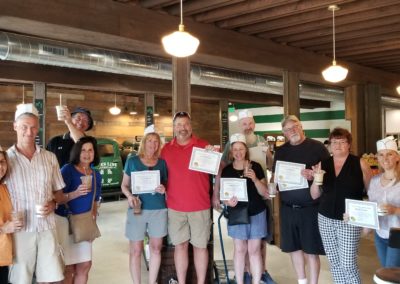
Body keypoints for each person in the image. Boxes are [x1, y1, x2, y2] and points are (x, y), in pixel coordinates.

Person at [6, 103, 66, 283]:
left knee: (49, 279)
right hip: (20, 231)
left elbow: (60, 195)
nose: (29, 132)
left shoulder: (49, 157)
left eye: (33, 127)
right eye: (24, 127)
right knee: (20, 279)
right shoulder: (6, 160)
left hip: (47, 227)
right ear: (15, 126)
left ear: (38, 128)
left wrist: (53, 203)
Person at [214, 109, 275, 284]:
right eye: (244, 124)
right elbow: (221, 175)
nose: (247, 127)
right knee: (240, 248)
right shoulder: (228, 164)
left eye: (250, 123)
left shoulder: (260, 146)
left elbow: (270, 166)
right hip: (238, 209)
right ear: (232, 151)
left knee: (257, 245)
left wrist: (257, 177)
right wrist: (219, 196)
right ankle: (243, 276)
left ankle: (260, 273)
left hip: (258, 202)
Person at [272, 115, 330, 284]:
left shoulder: (317, 148)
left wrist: (315, 175)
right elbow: (276, 178)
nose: (293, 131)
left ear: (301, 126)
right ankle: (302, 281)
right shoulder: (281, 151)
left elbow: (329, 175)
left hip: (311, 208)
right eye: (288, 129)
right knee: (294, 248)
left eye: (295, 126)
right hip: (288, 208)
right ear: (284, 133)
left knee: (311, 251)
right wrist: (273, 184)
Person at [310, 127, 371, 283]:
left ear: (349, 144)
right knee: (334, 262)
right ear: (329, 144)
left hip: (349, 220)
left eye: (342, 141)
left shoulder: (360, 163)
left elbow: (372, 193)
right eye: (334, 142)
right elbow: (314, 195)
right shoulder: (323, 164)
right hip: (325, 219)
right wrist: (316, 179)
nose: (337, 145)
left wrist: (367, 221)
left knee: (348, 264)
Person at [160, 111, 215, 284]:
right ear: (174, 128)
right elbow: (159, 174)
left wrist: (214, 156)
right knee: (180, 246)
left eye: (186, 124)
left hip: (200, 205)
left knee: (200, 247)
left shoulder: (204, 146)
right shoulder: (165, 150)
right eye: (179, 125)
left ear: (191, 127)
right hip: (175, 207)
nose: (182, 128)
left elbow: (218, 170)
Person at [121, 125, 167, 284]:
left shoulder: (161, 163)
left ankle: (152, 281)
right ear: (144, 142)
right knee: (135, 250)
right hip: (137, 209)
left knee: (156, 248)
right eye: (150, 141)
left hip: (158, 209)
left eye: (156, 142)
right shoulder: (132, 161)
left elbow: (166, 184)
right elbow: (124, 185)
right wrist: (129, 196)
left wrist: (163, 188)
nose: (153, 144)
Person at [222, 133, 268, 284]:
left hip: (256, 212)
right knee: (240, 250)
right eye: (235, 149)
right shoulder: (227, 170)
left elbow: (264, 192)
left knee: (254, 250)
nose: (238, 152)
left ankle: (256, 281)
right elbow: (224, 196)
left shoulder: (256, 167)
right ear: (231, 152)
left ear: (246, 150)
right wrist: (228, 202)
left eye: (241, 149)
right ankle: (240, 281)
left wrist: (254, 178)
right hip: (237, 213)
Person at [55, 136, 101, 284]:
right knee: (69, 268)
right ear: (77, 152)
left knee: (85, 265)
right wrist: (75, 193)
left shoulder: (96, 174)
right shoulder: (67, 170)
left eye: (90, 150)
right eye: (83, 150)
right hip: (66, 223)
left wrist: (92, 225)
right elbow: (57, 198)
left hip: (84, 225)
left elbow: (95, 201)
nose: (87, 154)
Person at [368, 136, 400, 267]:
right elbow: (370, 208)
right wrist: (353, 217)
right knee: (387, 271)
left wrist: (395, 210)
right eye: (381, 155)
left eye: (389, 154)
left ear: (397, 157)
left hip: (397, 233)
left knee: (390, 273)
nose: (385, 158)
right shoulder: (374, 181)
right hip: (380, 234)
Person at [0, 146, 23, 283]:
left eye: (2, 161)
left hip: (3, 255)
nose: (0, 166)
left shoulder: (4, 188)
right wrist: (3, 228)